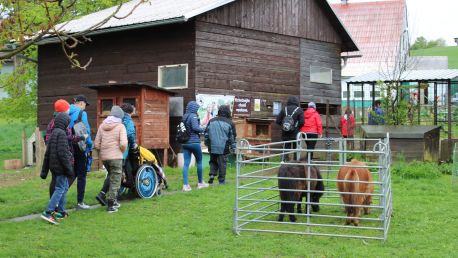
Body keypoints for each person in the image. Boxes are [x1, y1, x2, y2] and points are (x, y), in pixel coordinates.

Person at [95, 103, 137, 206]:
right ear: (130, 112)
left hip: (105, 155)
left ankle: (104, 194)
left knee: (112, 174)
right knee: (116, 175)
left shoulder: (104, 123)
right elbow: (129, 137)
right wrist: (130, 146)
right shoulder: (123, 123)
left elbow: (97, 143)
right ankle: (111, 200)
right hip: (119, 153)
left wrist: (103, 151)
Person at [44, 99, 86, 199]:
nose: (69, 110)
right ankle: (55, 204)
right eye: (68, 108)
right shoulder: (62, 122)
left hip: (53, 153)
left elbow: (48, 138)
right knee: (67, 177)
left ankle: (54, 202)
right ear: (64, 110)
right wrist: (81, 137)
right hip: (62, 154)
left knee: (55, 179)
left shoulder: (52, 121)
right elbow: (67, 138)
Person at [40, 113, 74, 224]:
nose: (68, 125)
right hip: (61, 167)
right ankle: (48, 212)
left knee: (63, 187)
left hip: (54, 167)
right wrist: (69, 169)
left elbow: (47, 153)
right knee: (60, 188)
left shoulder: (54, 133)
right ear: (64, 123)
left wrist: (44, 171)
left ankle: (60, 212)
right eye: (67, 123)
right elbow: (63, 154)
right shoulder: (62, 134)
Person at [94, 106, 128, 213]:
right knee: (115, 180)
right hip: (116, 157)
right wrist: (121, 151)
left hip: (105, 158)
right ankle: (111, 204)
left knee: (111, 177)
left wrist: (103, 151)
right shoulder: (120, 126)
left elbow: (96, 144)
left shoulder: (102, 125)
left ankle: (112, 201)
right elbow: (123, 143)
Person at [68, 95, 92, 210]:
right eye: (85, 105)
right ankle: (80, 202)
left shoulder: (65, 111)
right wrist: (90, 145)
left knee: (70, 173)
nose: (85, 108)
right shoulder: (82, 114)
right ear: (81, 103)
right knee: (81, 174)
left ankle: (57, 199)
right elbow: (86, 130)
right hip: (79, 146)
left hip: (68, 145)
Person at [204, 105, 236, 185]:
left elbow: (206, 133)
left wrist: (207, 143)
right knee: (222, 164)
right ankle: (221, 181)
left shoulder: (211, 121)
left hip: (212, 146)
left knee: (213, 161)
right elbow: (232, 136)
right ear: (228, 112)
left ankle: (212, 174)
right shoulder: (230, 123)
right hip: (223, 147)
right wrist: (233, 147)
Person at [181, 101, 209, 192]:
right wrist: (203, 129)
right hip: (194, 142)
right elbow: (195, 128)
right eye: (197, 108)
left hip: (185, 143)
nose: (197, 110)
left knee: (186, 164)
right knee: (199, 162)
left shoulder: (184, 117)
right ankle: (200, 183)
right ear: (194, 108)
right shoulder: (193, 116)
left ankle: (185, 185)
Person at [275, 96, 304, 161]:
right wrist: (296, 127)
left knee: (286, 148)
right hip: (295, 134)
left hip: (285, 133)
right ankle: (295, 162)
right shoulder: (299, 110)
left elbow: (278, 121)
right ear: (297, 102)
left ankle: (284, 162)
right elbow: (302, 122)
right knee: (296, 149)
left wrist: (284, 126)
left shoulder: (284, 109)